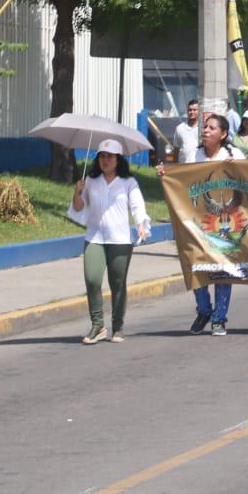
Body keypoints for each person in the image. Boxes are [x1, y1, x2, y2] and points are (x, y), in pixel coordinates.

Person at [163, 113, 244, 336]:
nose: (205, 131)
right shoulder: (195, 155)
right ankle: (204, 310)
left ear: (224, 134)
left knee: (222, 269)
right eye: (204, 127)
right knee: (195, 265)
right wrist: (165, 174)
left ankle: (219, 318)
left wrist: (236, 168)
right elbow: (183, 181)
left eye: (211, 128)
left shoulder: (234, 154)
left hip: (225, 223)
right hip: (199, 223)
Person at [70, 139, 151, 343]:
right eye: (102, 156)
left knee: (118, 283)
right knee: (92, 279)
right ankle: (97, 325)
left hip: (120, 240)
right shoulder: (90, 180)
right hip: (95, 237)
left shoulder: (128, 182)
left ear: (118, 159)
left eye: (109, 156)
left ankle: (118, 326)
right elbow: (79, 208)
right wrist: (77, 191)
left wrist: (141, 223)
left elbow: (137, 206)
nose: (105, 160)